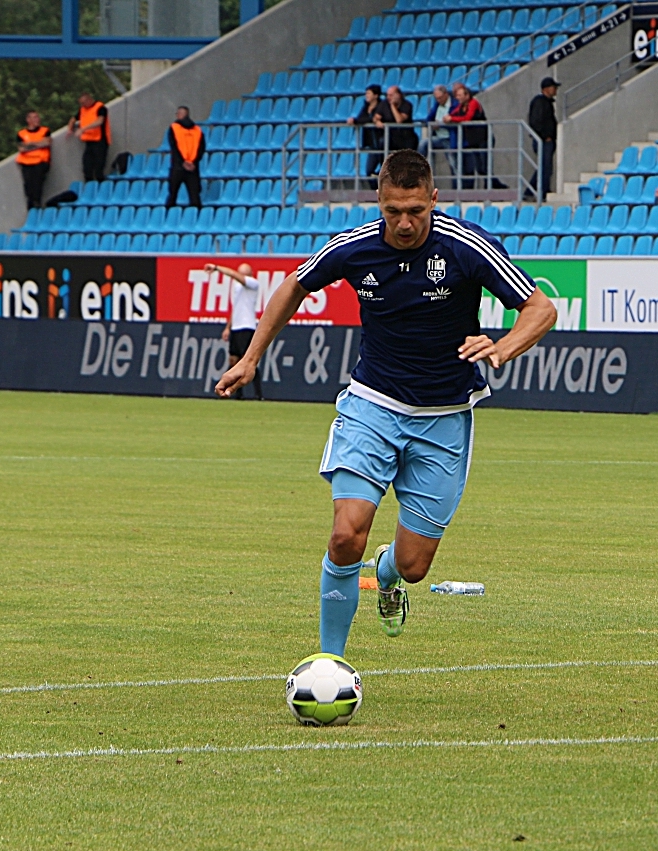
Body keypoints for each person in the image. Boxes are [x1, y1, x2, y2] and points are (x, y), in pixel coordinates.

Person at [214, 150, 557, 657]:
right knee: (346, 534)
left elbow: (540, 308)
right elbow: (294, 285)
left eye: (416, 210)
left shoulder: (466, 246)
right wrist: (250, 357)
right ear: (379, 201)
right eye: (393, 210)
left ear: (434, 200)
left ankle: (388, 572)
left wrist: (504, 346)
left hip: (443, 418)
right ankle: (330, 662)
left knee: (415, 566)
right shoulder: (354, 247)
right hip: (371, 406)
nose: (404, 223)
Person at [204, 261, 263, 399]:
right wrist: (228, 328)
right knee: (233, 361)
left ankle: (258, 394)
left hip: (246, 326)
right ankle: (238, 394)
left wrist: (217, 268)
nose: (239, 276)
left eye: (243, 274)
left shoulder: (253, 284)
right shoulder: (237, 288)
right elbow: (235, 308)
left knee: (247, 361)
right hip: (236, 327)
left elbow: (237, 277)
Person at [447, 83, 488, 189]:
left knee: (484, 166)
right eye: (457, 96)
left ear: (467, 95)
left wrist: (451, 119)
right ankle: (493, 186)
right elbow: (453, 113)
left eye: (460, 95)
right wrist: (447, 117)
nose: (457, 98)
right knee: (478, 167)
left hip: (483, 138)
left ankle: (491, 187)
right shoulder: (461, 106)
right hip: (473, 139)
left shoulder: (473, 103)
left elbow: (467, 118)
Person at [164, 106, 206, 209]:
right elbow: (202, 148)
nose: (177, 115)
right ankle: (196, 220)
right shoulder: (198, 130)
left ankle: (168, 218)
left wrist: (183, 162)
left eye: (177, 113)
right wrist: (193, 162)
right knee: (195, 197)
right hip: (193, 168)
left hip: (178, 167)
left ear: (181, 114)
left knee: (172, 196)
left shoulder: (174, 128)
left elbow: (174, 147)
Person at [68, 93, 109, 183]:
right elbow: (73, 119)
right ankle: (89, 188)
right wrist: (70, 128)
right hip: (89, 141)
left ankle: (101, 187)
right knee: (87, 167)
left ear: (89, 100)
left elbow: (99, 121)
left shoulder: (100, 107)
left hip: (100, 141)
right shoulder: (83, 110)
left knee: (99, 168)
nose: (82, 105)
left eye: (83, 103)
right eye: (81, 103)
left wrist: (83, 129)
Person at [528, 76, 558, 199]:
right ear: (546, 89)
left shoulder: (546, 102)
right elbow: (536, 121)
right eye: (553, 87)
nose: (555, 90)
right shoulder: (540, 102)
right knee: (545, 167)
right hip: (543, 140)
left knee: (544, 167)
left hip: (546, 140)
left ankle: (534, 191)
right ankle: (539, 192)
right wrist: (545, 136)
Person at [348, 85, 385, 182]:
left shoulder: (382, 106)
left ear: (376, 95)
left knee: (384, 170)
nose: (366, 95)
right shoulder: (366, 107)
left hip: (382, 143)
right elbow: (361, 119)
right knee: (369, 171)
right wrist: (355, 120)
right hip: (372, 144)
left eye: (369, 93)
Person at [15, 110, 52, 210]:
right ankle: (30, 205)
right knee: (28, 185)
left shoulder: (44, 130)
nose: (37, 119)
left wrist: (29, 144)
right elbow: (21, 149)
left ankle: (37, 203)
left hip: (40, 161)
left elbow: (46, 143)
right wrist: (38, 144)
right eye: (34, 117)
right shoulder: (21, 133)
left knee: (37, 184)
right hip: (26, 163)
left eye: (37, 117)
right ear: (28, 120)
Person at [379, 86, 417, 158]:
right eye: (387, 95)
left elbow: (399, 120)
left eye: (391, 95)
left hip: (406, 137)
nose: (388, 97)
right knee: (382, 142)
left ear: (398, 95)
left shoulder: (407, 105)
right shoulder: (384, 104)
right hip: (392, 137)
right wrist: (377, 121)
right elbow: (376, 116)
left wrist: (393, 106)